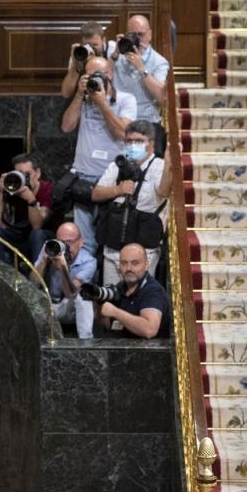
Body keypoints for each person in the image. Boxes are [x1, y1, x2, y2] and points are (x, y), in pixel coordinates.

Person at [61, 56, 137, 255]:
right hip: (84, 178)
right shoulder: (83, 99)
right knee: (83, 243)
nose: (95, 80)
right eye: (90, 75)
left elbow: (123, 133)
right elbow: (66, 126)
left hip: (112, 179)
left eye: (99, 75)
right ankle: (84, 284)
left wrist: (102, 103)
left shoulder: (126, 100)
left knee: (111, 242)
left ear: (110, 75)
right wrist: (78, 95)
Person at [92, 120, 171, 284]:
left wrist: (170, 163)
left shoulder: (159, 165)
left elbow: (164, 192)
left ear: (151, 144)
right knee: (112, 297)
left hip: (143, 250)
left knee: (140, 299)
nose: (133, 145)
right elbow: (96, 194)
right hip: (114, 249)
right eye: (129, 141)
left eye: (139, 141)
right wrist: (117, 190)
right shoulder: (119, 164)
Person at [112, 14, 170, 156]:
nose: (137, 39)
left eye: (141, 35)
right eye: (133, 34)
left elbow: (161, 96)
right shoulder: (117, 55)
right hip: (119, 122)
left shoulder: (159, 62)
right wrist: (114, 55)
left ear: (149, 35)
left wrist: (142, 68)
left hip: (146, 123)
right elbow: (104, 75)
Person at [33, 223, 97, 338]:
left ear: (81, 242)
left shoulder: (89, 261)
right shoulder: (51, 250)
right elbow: (33, 283)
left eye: (70, 242)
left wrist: (63, 268)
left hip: (69, 307)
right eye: (62, 242)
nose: (66, 247)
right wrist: (43, 260)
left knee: (83, 295)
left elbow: (71, 293)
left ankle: (86, 341)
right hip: (49, 305)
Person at [99, 243, 171, 339]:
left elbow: (150, 330)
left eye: (135, 263)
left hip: (149, 352)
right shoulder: (120, 287)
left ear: (146, 265)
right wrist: (98, 305)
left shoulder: (153, 291)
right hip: (121, 348)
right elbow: (108, 326)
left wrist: (115, 312)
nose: (129, 268)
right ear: (119, 266)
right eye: (124, 263)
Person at [0, 154, 54, 263]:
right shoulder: (15, 188)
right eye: (19, 174)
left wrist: (30, 199)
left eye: (27, 174)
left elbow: (37, 226)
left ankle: (36, 278)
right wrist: (2, 192)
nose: (24, 178)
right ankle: (0, 275)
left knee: (36, 234)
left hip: (44, 241)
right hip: (21, 238)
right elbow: (1, 225)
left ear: (38, 173)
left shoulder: (48, 190)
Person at [60, 21, 116, 99]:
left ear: (103, 40)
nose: (91, 49)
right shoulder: (80, 53)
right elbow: (66, 93)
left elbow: (118, 84)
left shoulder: (112, 49)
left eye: (95, 45)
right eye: (88, 45)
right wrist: (76, 65)